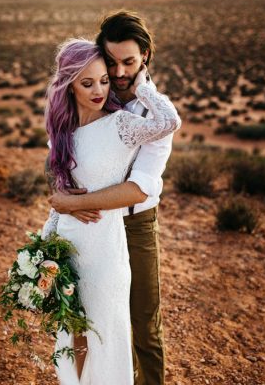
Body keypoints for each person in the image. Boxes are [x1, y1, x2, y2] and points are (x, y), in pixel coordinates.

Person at [40, 36, 181, 384]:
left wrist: (142, 84)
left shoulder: (120, 123)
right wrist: (44, 243)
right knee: (73, 329)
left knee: (116, 328)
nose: (101, 88)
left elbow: (167, 122)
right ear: (68, 85)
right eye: (88, 83)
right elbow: (58, 179)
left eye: (104, 80)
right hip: (70, 239)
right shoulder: (64, 130)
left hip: (109, 238)